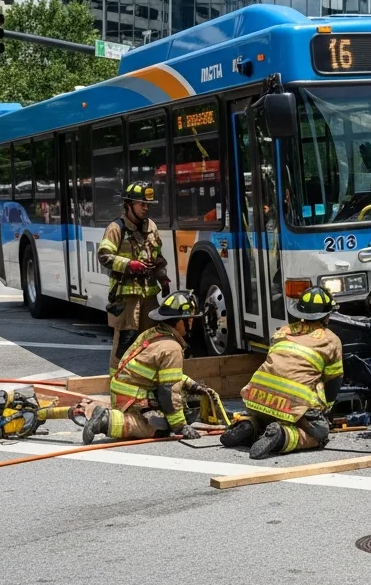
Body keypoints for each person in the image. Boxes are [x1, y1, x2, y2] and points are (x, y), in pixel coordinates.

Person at [220, 287, 344, 460]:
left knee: (267, 418)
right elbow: (334, 380)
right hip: (293, 405)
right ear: (327, 315)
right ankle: (282, 436)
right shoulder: (331, 340)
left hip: (256, 398)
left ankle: (249, 425)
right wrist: (326, 408)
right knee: (320, 433)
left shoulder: (282, 331)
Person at [81, 290, 210, 442]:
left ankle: (113, 415)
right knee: (158, 428)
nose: (192, 324)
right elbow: (168, 391)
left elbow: (165, 375)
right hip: (133, 398)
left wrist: (192, 385)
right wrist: (180, 426)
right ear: (181, 321)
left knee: (167, 415)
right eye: (190, 319)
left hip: (125, 391)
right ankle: (104, 420)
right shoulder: (172, 347)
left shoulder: (152, 334)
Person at [97, 181, 170, 377]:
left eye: (148, 205)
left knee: (150, 340)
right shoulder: (116, 228)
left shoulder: (151, 226)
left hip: (149, 296)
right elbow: (104, 256)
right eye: (142, 204)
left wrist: (163, 278)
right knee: (125, 340)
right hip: (125, 297)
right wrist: (130, 265)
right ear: (129, 205)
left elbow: (157, 256)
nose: (146, 208)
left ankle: (144, 380)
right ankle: (116, 380)